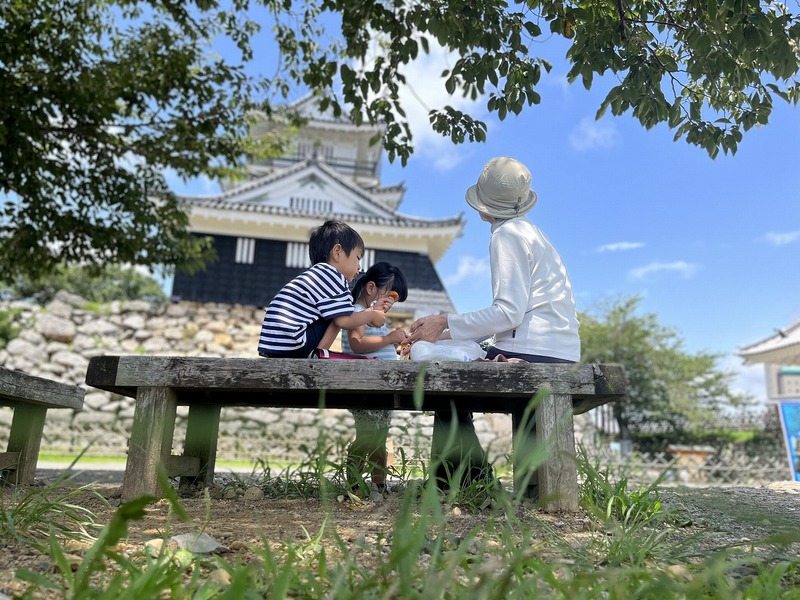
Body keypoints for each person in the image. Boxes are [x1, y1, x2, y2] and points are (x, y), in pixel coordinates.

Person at [404, 156, 581, 491]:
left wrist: (444, 321)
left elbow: (508, 313)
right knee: (454, 352)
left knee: (444, 381)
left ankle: (463, 481)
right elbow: (513, 314)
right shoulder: (533, 234)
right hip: (560, 350)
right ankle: (514, 484)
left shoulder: (506, 235)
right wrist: (445, 330)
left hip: (532, 352)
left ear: (484, 205)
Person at [257, 220, 387, 358]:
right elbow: (344, 321)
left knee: (337, 311)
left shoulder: (316, 274)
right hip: (295, 342)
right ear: (337, 252)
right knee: (339, 314)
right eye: (357, 258)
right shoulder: (333, 277)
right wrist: (372, 315)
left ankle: (316, 355)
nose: (359, 267)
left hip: (274, 344)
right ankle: (318, 356)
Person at [340, 262, 409, 493]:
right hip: (365, 386)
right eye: (389, 295)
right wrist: (389, 339)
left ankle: (379, 484)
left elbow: (379, 344)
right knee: (368, 435)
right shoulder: (358, 314)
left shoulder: (375, 317)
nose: (390, 303)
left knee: (380, 437)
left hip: (382, 386)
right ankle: (354, 483)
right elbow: (357, 344)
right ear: (371, 288)